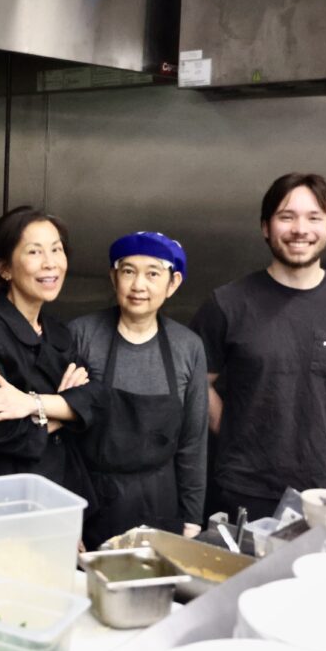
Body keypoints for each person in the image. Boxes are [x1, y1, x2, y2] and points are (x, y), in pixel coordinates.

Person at [190, 173, 326, 521]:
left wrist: (323, 429)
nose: (300, 229)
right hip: (242, 486)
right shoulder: (228, 303)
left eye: (314, 217)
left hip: (323, 488)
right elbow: (197, 382)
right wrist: (236, 430)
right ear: (266, 227)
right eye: (287, 216)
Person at [70, 232, 208, 549]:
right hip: (91, 501)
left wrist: (192, 518)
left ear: (173, 284)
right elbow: (61, 441)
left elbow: (193, 442)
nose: (138, 286)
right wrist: (66, 518)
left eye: (152, 274)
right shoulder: (82, 335)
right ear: (113, 277)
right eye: (128, 271)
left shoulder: (188, 347)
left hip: (161, 501)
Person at [0, 206, 97, 497]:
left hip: (56, 485)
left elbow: (93, 403)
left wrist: (31, 405)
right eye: (35, 252)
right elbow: (0, 432)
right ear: (4, 268)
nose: (50, 263)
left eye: (56, 250)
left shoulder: (58, 332)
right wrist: (64, 411)